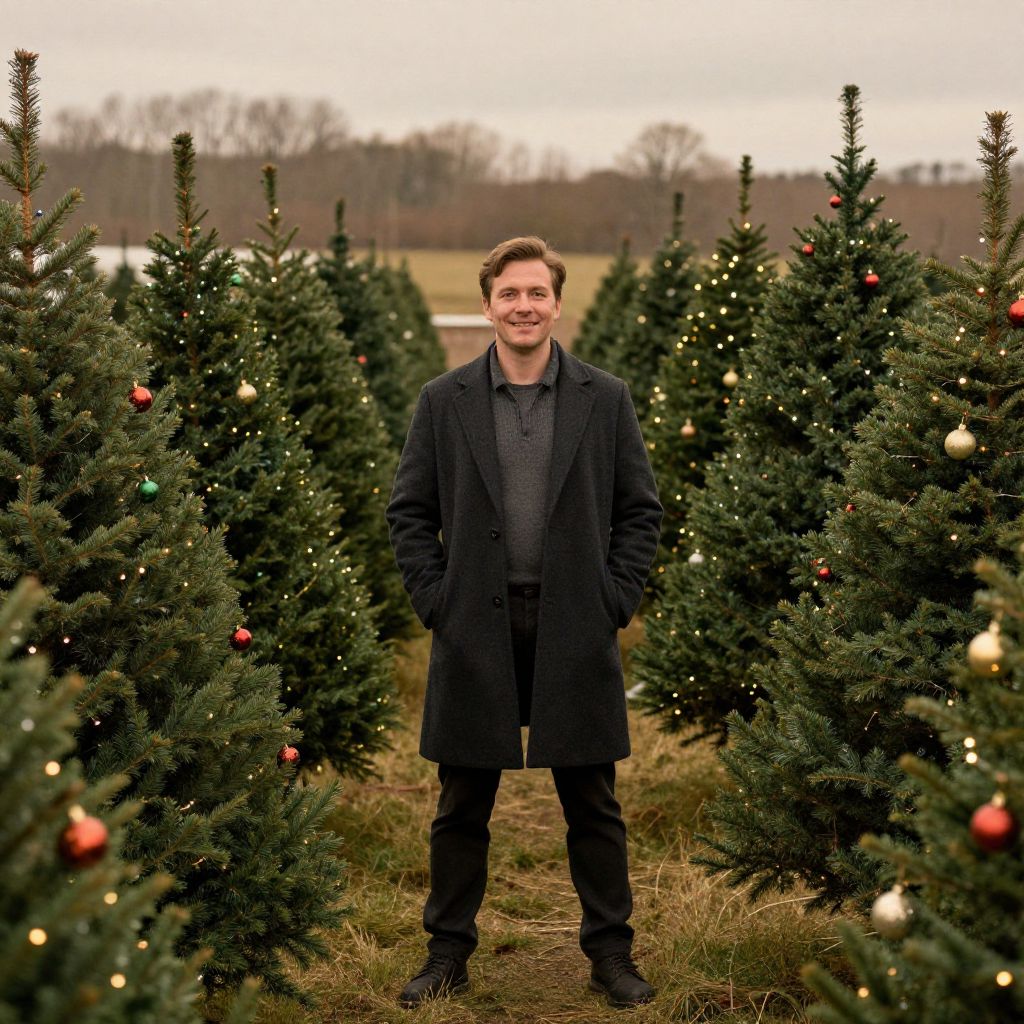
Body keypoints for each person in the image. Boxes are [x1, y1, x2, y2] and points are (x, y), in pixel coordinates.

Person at [386, 236, 663, 1010]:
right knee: (461, 801)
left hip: (576, 620)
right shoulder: (445, 401)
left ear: (557, 303)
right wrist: (435, 601)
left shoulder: (604, 399)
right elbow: (409, 512)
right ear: (487, 306)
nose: (523, 306)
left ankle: (611, 954)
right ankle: (447, 954)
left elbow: (640, 510)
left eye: (536, 293)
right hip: (474, 622)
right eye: (509, 294)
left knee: (592, 800)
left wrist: (616, 597)